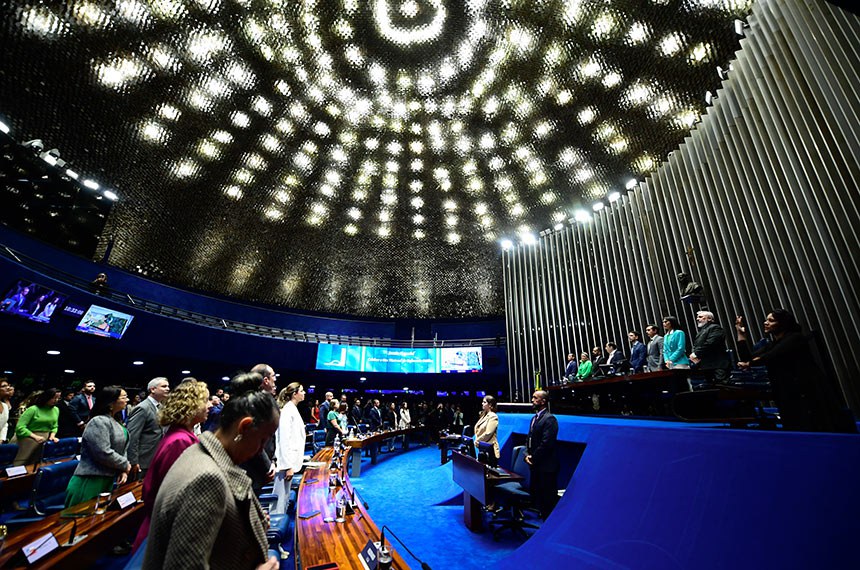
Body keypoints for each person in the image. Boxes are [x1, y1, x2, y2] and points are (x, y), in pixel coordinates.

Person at [142, 389, 280, 570]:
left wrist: (252, 523)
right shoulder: (207, 478)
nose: (259, 450)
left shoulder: (199, 452)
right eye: (262, 440)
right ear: (244, 427)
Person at [736, 311, 855, 433]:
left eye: (771, 320)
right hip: (786, 388)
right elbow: (747, 358)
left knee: (811, 427)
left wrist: (750, 364)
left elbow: (772, 356)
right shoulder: (773, 344)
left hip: (805, 389)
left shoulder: (795, 338)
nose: (765, 323)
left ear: (783, 324)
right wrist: (741, 335)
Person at [132, 379, 211, 553]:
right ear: (191, 406)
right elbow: (174, 497)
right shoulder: (179, 442)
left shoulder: (183, 436)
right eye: (205, 401)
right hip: (167, 535)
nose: (209, 406)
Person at [64, 386, 131, 507]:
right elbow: (102, 452)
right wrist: (125, 464)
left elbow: (122, 449)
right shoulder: (98, 421)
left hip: (107, 479)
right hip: (90, 480)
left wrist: (123, 469)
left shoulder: (116, 421)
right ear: (111, 402)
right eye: (124, 397)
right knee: (80, 522)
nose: (127, 400)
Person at [525, 390, 559, 519]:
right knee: (538, 495)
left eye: (535, 398)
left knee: (548, 498)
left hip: (546, 466)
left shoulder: (550, 419)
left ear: (543, 401)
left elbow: (547, 443)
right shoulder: (535, 418)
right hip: (536, 465)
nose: (532, 400)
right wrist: (527, 454)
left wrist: (533, 457)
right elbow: (529, 438)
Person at [128, 377, 171, 479]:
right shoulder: (142, 408)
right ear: (152, 389)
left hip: (155, 458)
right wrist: (133, 461)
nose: (168, 389)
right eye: (164, 386)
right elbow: (133, 436)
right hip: (142, 461)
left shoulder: (160, 407)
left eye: (168, 386)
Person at [274, 382, 306, 515]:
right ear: (295, 394)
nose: (304, 393)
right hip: (286, 462)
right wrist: (288, 466)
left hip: (291, 460)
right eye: (302, 391)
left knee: (285, 497)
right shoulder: (287, 410)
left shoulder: (292, 408)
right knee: (280, 500)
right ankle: (273, 530)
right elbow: (284, 439)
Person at [13, 388, 60, 465]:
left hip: (43, 440)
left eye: (58, 398)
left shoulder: (56, 410)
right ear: (46, 397)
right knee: (20, 464)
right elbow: (20, 427)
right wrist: (35, 437)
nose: (56, 400)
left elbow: (54, 426)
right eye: (53, 398)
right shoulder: (33, 409)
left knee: (35, 464)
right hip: (27, 439)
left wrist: (52, 436)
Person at [689, 311, 731, 384]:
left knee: (722, 388)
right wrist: (693, 354)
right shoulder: (701, 331)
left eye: (700, 317)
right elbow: (696, 345)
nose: (697, 319)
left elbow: (711, 343)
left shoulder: (715, 328)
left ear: (709, 318)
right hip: (706, 365)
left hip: (717, 365)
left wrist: (696, 354)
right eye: (697, 317)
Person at [474, 395, 499, 467]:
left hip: (490, 451)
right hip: (482, 449)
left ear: (490, 405)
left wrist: (477, 440)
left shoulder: (493, 416)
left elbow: (488, 433)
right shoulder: (484, 415)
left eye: (484, 402)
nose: (482, 403)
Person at [0, 378, 13, 442]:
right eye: (3, 386)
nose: (8, 388)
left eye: (8, 385)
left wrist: (1, 439)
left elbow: (5, 424)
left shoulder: (5, 406)